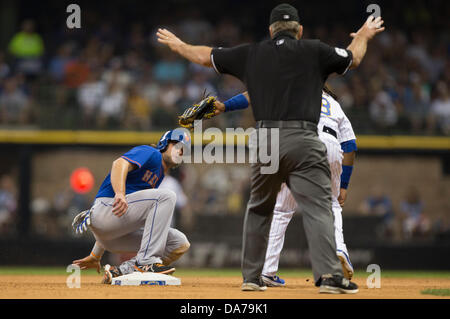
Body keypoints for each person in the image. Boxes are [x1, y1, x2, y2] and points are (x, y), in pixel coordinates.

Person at [157, 3, 384, 293]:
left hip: (267, 141)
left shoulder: (253, 53)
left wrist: (180, 46)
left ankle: (252, 278)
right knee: (319, 208)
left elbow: (205, 56)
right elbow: (354, 58)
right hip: (304, 137)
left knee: (260, 209)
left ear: (270, 30)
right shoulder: (314, 50)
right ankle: (328, 276)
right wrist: (364, 34)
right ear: (299, 31)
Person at [72, 129, 191, 284]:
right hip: (105, 208)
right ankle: (147, 262)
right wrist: (120, 193)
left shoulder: (159, 174)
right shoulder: (151, 153)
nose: (180, 150)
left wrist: (96, 255)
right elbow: (119, 164)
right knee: (167, 196)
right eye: (177, 144)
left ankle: (124, 270)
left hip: (112, 234)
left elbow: (118, 219)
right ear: (164, 143)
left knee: (179, 243)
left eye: (184, 150)